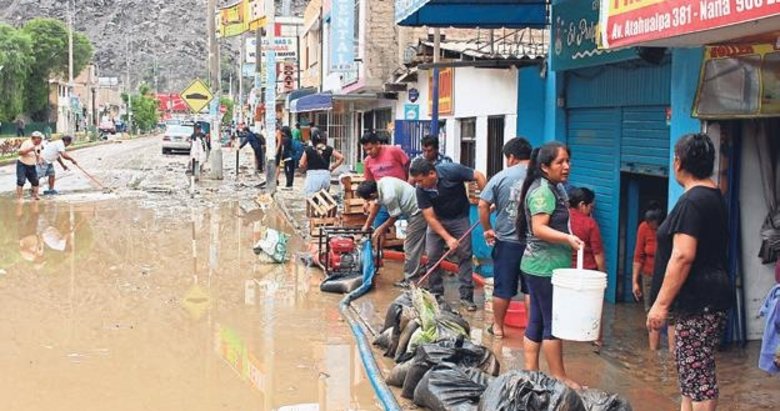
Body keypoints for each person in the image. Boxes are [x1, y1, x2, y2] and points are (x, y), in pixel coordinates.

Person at [648, 133, 734, 411]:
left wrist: (660, 306)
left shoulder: (693, 202)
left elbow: (683, 255)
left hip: (699, 301)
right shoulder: (712, 195)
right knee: (692, 377)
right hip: (708, 298)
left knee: (699, 379)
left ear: (678, 163)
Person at [516, 141, 583, 389]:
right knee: (552, 321)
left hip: (540, 265)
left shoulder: (555, 188)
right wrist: (567, 238)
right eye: (560, 162)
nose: (566, 166)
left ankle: (531, 372)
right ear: (545, 167)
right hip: (544, 267)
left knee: (537, 318)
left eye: (568, 161)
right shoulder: (543, 191)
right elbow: (539, 228)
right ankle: (558, 376)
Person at [410, 158, 486, 311]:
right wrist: (448, 238)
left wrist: (486, 200)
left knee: (464, 255)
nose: (418, 184)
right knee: (432, 256)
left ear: (431, 174)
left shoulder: (451, 171)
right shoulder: (421, 191)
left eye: (420, 180)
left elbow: (479, 176)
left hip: (459, 218)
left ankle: (466, 297)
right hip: (437, 221)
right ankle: (436, 295)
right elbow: (430, 217)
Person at [478, 137, 532, 338]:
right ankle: (531, 329)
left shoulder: (501, 177)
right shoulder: (542, 176)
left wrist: (487, 228)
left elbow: (482, 204)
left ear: (511, 157)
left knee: (502, 288)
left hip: (507, 243)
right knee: (531, 289)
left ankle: (498, 328)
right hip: (535, 244)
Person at [358, 178, 426, 287]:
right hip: (412, 209)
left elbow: (394, 216)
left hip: (418, 212)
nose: (369, 202)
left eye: (368, 199)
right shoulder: (380, 184)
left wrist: (380, 229)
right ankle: (422, 269)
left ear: (372, 194)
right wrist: (366, 225)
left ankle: (411, 281)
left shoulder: (389, 196)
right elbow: (376, 205)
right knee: (419, 244)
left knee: (410, 247)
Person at [568, 186, 606, 350]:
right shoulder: (589, 223)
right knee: (594, 307)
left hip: (566, 272)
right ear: (582, 205)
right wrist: (603, 274)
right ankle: (597, 339)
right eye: (591, 207)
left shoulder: (562, 218)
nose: (592, 210)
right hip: (587, 272)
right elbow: (598, 253)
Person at [632, 201, 672, 351]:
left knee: (671, 314)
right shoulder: (643, 228)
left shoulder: (670, 229)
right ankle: (653, 352)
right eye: (649, 223)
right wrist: (635, 281)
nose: (651, 227)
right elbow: (638, 255)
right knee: (652, 312)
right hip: (649, 276)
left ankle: (672, 353)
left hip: (668, 277)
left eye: (653, 224)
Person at [16, 131, 44, 201]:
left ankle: (35, 195)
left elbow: (38, 153)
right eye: (39, 139)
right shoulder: (27, 143)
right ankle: (19, 198)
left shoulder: (39, 145)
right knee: (21, 180)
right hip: (22, 164)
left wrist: (39, 160)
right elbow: (20, 153)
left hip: (31, 165)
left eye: (41, 139)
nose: (40, 140)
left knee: (35, 180)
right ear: (34, 138)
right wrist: (30, 149)